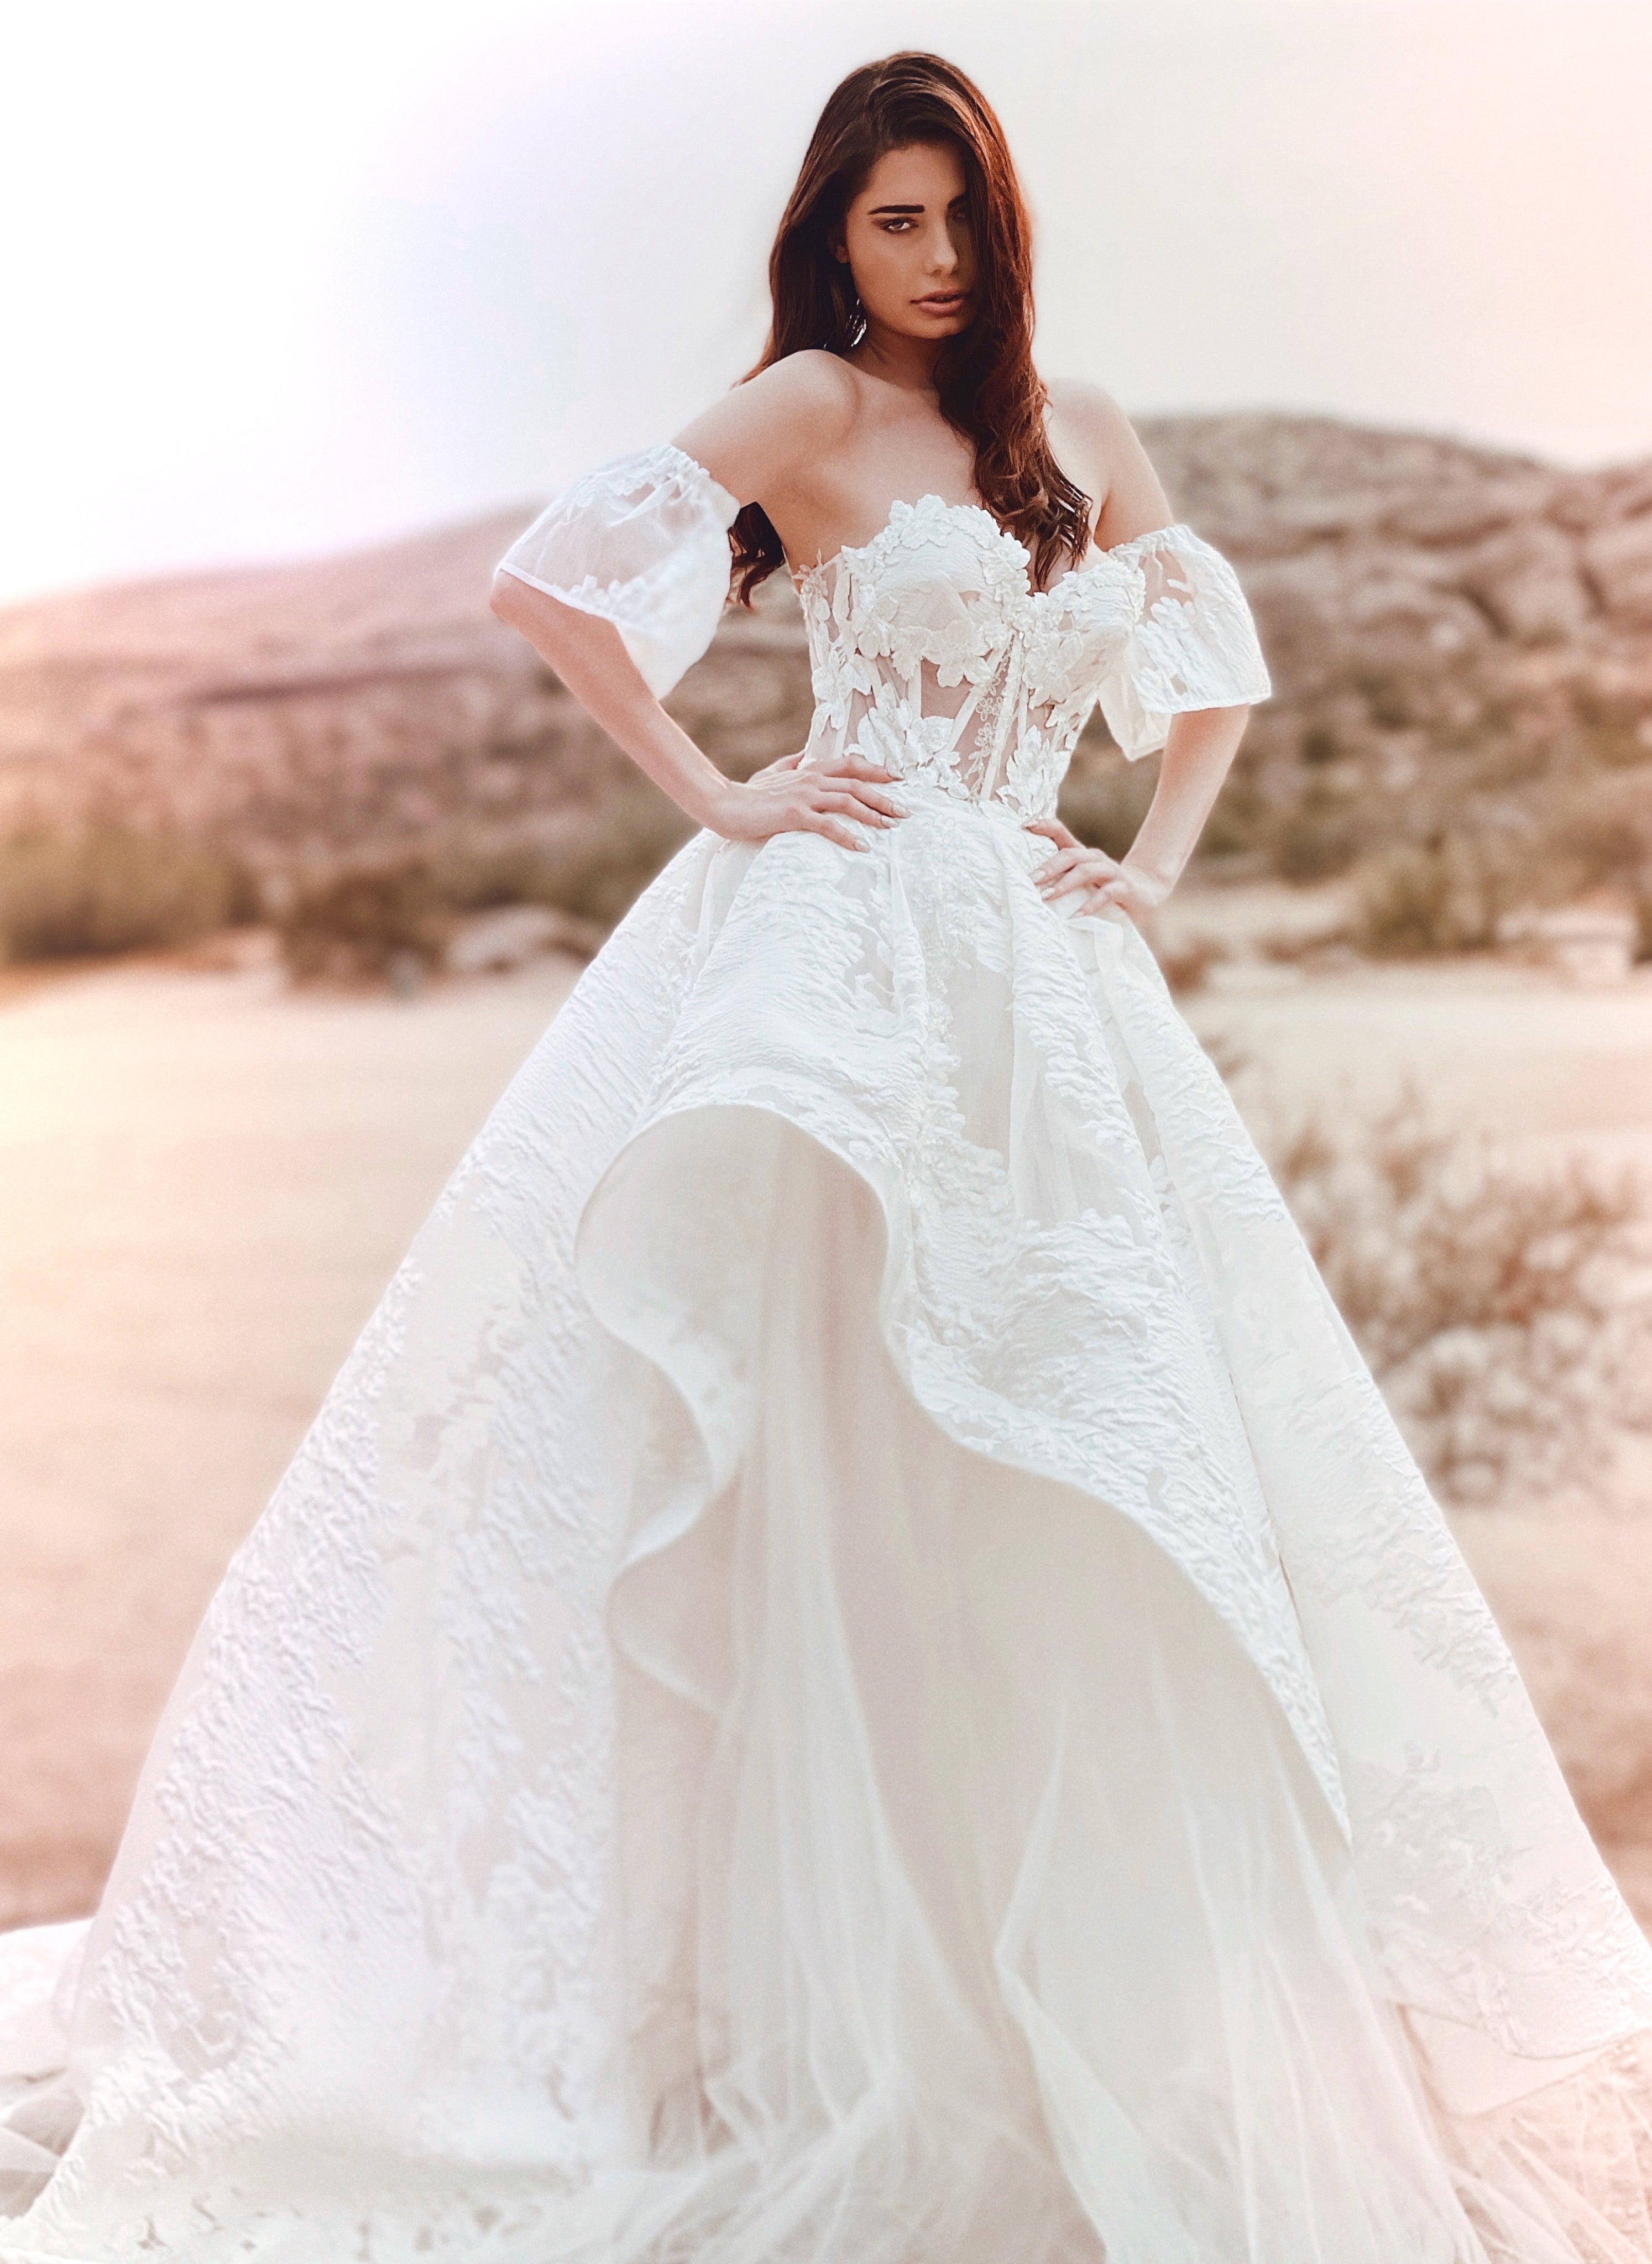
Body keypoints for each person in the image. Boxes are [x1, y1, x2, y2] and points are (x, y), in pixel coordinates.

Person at [2, 48, 1650, 2264]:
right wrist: (726, 791)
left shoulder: (1089, 433)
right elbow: (558, 588)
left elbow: (1208, 668)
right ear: (835, 233)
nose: (937, 258)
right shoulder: (805, 404)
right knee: (807, 1440)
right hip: (829, 970)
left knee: (1099, 1454)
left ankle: (1071, 1993)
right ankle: (781, 1992)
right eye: (894, 219)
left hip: (1047, 996)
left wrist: (1151, 862)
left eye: (960, 213)